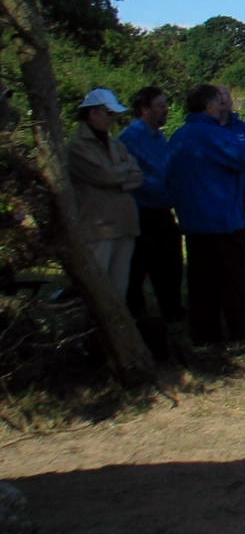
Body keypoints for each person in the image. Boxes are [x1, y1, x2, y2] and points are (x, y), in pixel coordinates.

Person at [168, 83, 245, 346]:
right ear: (209, 105)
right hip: (223, 220)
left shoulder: (179, 136)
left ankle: (203, 336)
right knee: (233, 282)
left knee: (200, 283)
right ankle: (240, 336)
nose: (222, 105)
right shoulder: (212, 135)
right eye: (217, 102)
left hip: (193, 221)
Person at [68, 88, 143, 321]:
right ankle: (93, 341)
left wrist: (117, 174)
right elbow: (104, 176)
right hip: (98, 227)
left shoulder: (116, 144)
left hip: (124, 224)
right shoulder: (77, 146)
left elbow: (137, 175)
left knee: (118, 290)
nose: (112, 119)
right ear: (92, 114)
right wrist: (121, 174)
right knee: (98, 292)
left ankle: (116, 341)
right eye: (107, 113)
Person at [120, 85, 183, 350]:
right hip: (141, 212)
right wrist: (162, 188)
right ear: (145, 109)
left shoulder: (160, 138)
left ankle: (171, 313)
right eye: (160, 104)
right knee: (138, 268)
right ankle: (137, 321)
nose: (166, 108)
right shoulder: (129, 139)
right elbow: (134, 177)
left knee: (170, 264)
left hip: (163, 211)